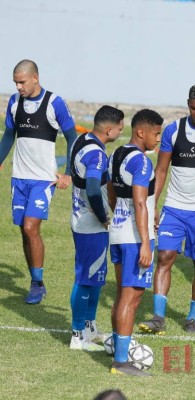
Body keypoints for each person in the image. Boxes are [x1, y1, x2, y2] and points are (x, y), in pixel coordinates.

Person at [138, 84, 195, 335]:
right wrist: (152, 204)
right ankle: (159, 316)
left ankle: (192, 317)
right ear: (188, 104)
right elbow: (160, 171)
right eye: (193, 108)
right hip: (174, 208)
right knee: (165, 257)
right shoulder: (173, 131)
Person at [0, 59, 77, 304]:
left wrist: (69, 172)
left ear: (35, 78)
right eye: (15, 82)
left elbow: (72, 137)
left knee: (31, 227)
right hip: (19, 178)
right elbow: (8, 136)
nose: (18, 86)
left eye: (22, 82)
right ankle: (35, 280)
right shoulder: (14, 102)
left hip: (43, 180)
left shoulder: (54, 103)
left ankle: (37, 284)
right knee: (23, 228)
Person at [108, 109, 163, 376]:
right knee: (132, 298)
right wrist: (145, 242)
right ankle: (121, 362)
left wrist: (117, 215)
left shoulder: (116, 154)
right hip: (134, 239)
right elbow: (140, 202)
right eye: (156, 133)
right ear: (141, 132)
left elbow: (109, 191)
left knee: (121, 295)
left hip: (117, 233)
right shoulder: (141, 162)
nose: (158, 139)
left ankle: (117, 348)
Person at [69, 106, 124, 351]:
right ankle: (78, 335)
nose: (122, 131)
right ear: (109, 129)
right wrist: (103, 217)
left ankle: (89, 329)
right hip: (90, 226)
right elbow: (92, 188)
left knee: (95, 279)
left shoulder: (83, 140)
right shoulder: (97, 155)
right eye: (121, 128)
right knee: (85, 278)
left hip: (81, 221)